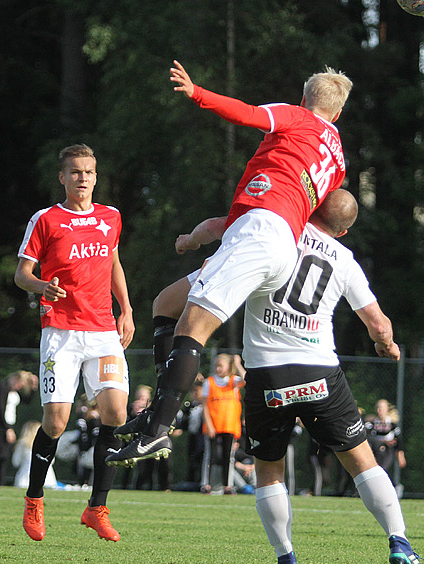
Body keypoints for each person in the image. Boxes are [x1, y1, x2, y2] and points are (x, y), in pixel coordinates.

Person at [170, 190, 424, 564]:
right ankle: (399, 541)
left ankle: (287, 561)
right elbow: (378, 323)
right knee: (363, 464)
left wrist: (190, 241)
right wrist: (385, 344)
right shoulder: (343, 259)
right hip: (320, 372)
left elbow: (215, 227)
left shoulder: (276, 229)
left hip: (268, 376)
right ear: (343, 230)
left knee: (269, 472)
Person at [107, 60, 352, 466]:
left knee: (192, 328)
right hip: (275, 244)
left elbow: (248, 114)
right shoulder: (338, 159)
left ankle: (156, 431)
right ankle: (159, 411)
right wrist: (196, 238)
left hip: (260, 236)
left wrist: (196, 92)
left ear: (304, 99)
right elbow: (307, 210)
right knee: (166, 305)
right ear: (339, 113)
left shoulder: (299, 119)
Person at [14, 143, 134, 542]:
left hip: (103, 331)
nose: (83, 179)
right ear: (62, 177)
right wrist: (41, 286)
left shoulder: (110, 217)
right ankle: (34, 498)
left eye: (89, 172)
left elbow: (114, 263)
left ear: (96, 177)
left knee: (116, 414)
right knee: (57, 421)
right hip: (61, 332)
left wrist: (127, 309)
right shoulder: (46, 219)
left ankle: (96, 508)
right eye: (76, 172)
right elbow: (21, 274)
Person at [199, 353, 245, 494]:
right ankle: (206, 484)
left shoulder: (233, 381)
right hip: (214, 425)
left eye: (221, 366)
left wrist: (237, 364)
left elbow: (247, 379)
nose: (218, 369)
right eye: (217, 366)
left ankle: (227, 485)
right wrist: (209, 424)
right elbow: (205, 406)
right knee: (210, 456)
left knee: (228, 456)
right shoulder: (210, 382)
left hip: (230, 425)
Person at [0, 370, 38, 486]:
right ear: (15, 378)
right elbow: (0, 409)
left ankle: (0, 481)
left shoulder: (14, 392)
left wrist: (34, 387)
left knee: (5, 454)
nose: (19, 387)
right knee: (1, 454)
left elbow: (27, 401)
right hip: (0, 426)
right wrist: (7, 429)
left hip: (9, 425)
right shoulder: (2, 387)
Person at [366, 398, 407, 487]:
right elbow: (367, 436)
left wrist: (400, 454)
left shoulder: (392, 425)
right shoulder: (371, 424)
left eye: (381, 408)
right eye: (377, 408)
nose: (379, 410)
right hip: (375, 451)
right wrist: (382, 442)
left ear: (387, 409)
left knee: (382, 470)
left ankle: (395, 487)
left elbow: (398, 440)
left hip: (388, 452)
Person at [13, 420, 58, 489]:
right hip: (48, 480)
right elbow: (52, 461)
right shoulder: (46, 445)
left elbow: (16, 462)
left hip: (24, 481)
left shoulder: (22, 445)